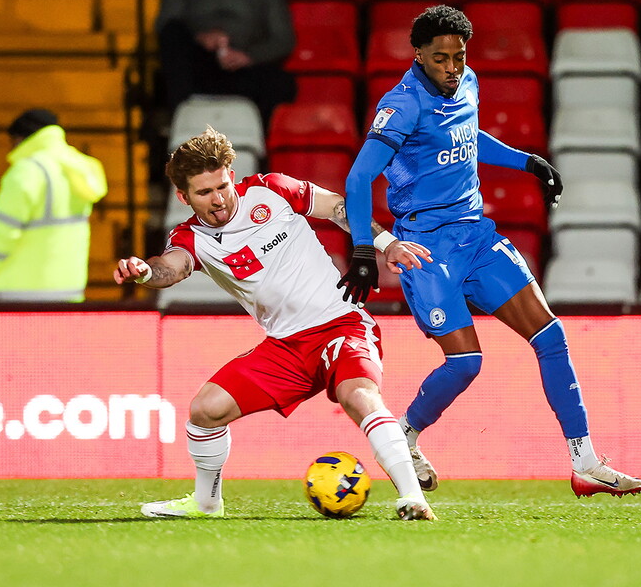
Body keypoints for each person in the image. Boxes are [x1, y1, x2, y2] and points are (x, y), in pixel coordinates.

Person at [339, 5, 641, 498]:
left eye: (459, 56)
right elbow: (358, 178)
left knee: (551, 335)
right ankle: (405, 434)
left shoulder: (468, 83)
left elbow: (468, 136)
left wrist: (528, 161)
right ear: (417, 54)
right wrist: (362, 249)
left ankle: (585, 462)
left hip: (477, 236)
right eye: (440, 58)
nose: (452, 67)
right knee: (465, 363)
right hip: (425, 245)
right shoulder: (401, 105)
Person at [115, 127, 435, 520]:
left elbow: (339, 206)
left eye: (222, 186)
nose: (218, 200)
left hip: (341, 324)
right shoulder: (192, 237)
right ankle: (206, 502)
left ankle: (412, 499)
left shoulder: (272, 190)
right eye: (203, 193)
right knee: (205, 410)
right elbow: (172, 267)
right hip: (285, 346)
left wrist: (386, 245)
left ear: (231, 174)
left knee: (359, 396)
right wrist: (145, 271)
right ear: (183, 197)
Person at [0, 109, 108, 302]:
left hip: (18, 292)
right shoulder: (78, 169)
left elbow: (3, 233)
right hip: (68, 292)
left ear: (20, 139)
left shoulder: (27, 171)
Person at [155, 0, 296, 126]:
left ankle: (256, 144)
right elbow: (164, 23)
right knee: (173, 33)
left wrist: (249, 56)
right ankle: (182, 122)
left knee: (281, 83)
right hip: (199, 66)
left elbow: (284, 39)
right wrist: (201, 38)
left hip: (244, 70)